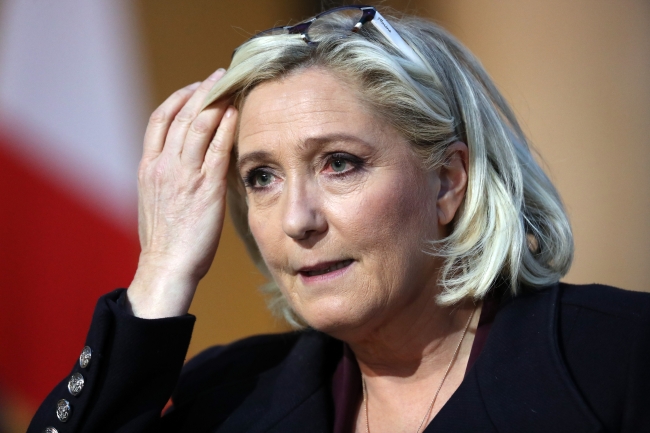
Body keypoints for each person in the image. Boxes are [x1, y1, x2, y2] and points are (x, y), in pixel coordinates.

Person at [29, 5, 650, 433]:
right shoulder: (226, 396)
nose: (297, 220)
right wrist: (161, 273)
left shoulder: (620, 356)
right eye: (262, 177)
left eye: (340, 164)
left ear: (448, 180)